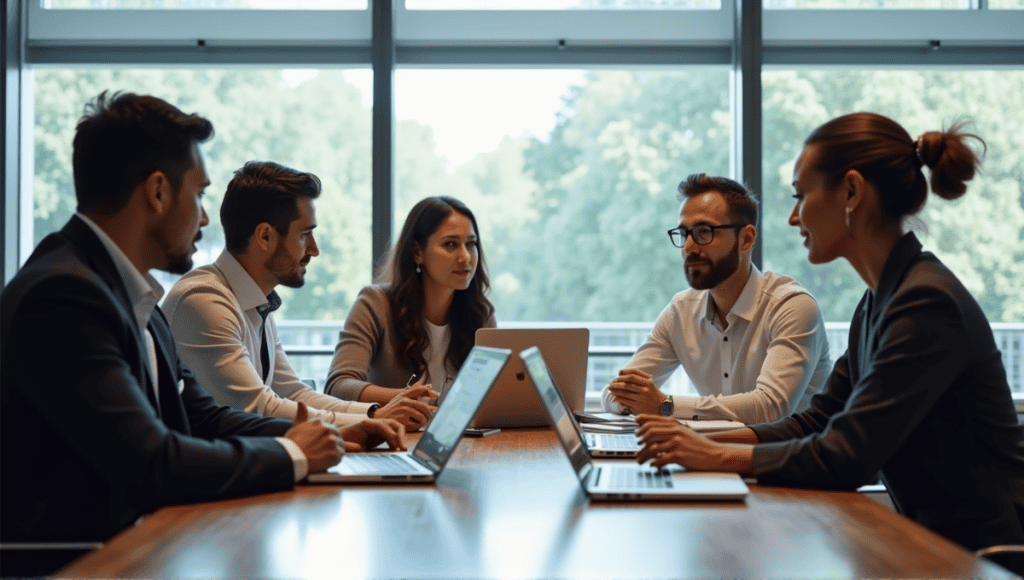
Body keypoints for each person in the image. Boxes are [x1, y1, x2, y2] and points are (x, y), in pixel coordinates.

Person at [0, 92, 402, 550]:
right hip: (79, 563)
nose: (207, 216)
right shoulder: (65, 296)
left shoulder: (132, 296)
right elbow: (150, 461)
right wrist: (293, 453)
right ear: (157, 192)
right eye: (200, 193)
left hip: (141, 547)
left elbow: (202, 416)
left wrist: (334, 431)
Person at [635, 112, 1024, 551]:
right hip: (931, 543)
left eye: (800, 196)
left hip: (985, 555)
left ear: (852, 192)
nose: (792, 217)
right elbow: (819, 420)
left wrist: (714, 456)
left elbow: (846, 455)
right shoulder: (880, 299)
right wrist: (698, 440)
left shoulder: (925, 304)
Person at [164, 161, 432, 431]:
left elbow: (294, 393)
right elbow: (260, 407)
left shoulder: (256, 303)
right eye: (305, 235)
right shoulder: (203, 300)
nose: (314, 250)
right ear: (265, 236)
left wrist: (378, 411)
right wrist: (372, 419)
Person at [601, 174, 831, 424]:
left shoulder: (792, 307)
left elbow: (771, 408)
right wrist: (631, 400)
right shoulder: (680, 312)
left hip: (788, 460)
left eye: (703, 232)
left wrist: (665, 406)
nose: (688, 246)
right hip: (716, 457)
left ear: (746, 238)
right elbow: (613, 395)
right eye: (684, 233)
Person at [325, 196, 496, 405]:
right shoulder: (375, 303)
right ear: (417, 252)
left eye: (471, 244)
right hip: (394, 435)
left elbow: (493, 395)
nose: (465, 257)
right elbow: (339, 386)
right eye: (450, 244)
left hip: (461, 437)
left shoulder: (481, 314)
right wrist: (404, 400)